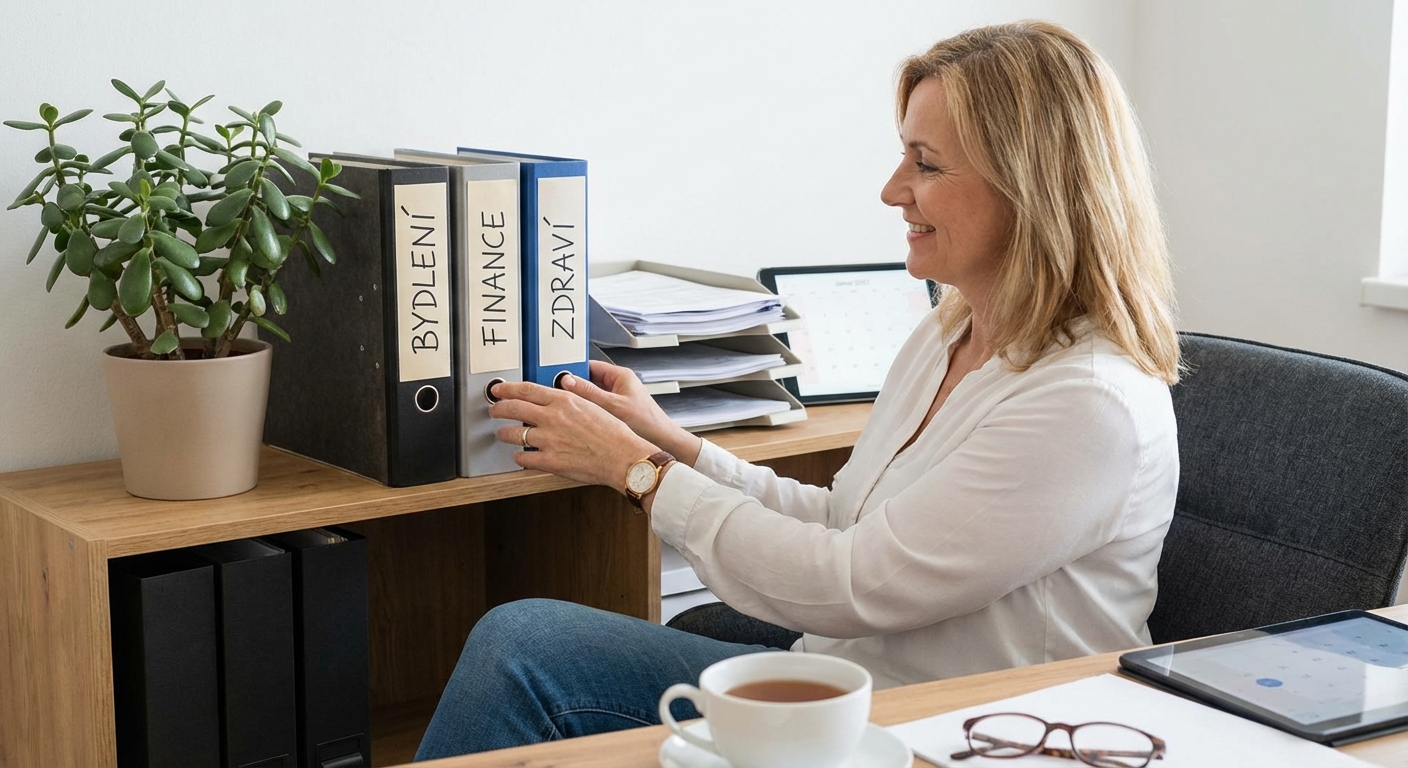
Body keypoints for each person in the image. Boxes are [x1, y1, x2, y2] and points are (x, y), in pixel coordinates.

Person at [414, 19, 1181, 760]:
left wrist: (637, 473)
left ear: (1033, 187)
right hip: (852, 689)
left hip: (961, 730)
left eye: (927, 163)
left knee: (523, 650)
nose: (892, 190)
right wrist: (671, 445)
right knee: (528, 644)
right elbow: (846, 523)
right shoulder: (950, 331)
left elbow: (849, 585)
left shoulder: (1086, 403)